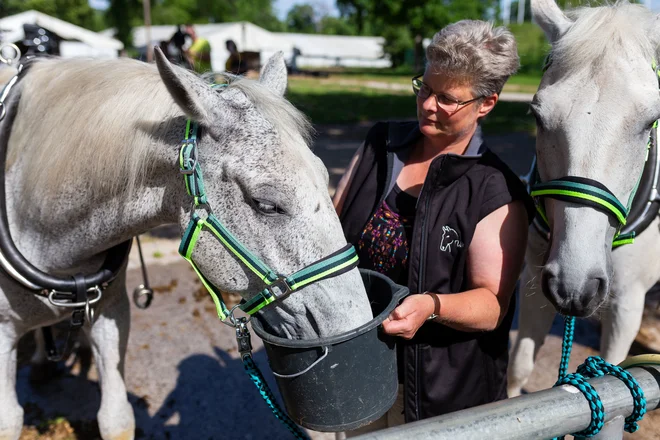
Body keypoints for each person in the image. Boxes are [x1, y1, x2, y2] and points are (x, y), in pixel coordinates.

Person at [333, 20, 535, 434]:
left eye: (447, 98)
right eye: (424, 88)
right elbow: (332, 230)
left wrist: (431, 306)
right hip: (360, 371)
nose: (427, 105)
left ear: (487, 103)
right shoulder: (380, 144)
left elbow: (492, 307)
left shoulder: (495, 189)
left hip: (443, 396)